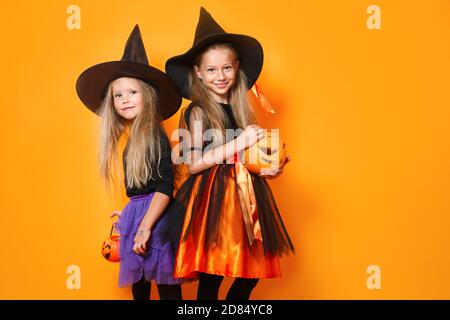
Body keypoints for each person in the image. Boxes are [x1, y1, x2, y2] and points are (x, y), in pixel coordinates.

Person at [165, 7, 294, 300]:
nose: (220, 76)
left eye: (226, 68)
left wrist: (268, 169)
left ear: (237, 67)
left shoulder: (241, 109)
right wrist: (238, 143)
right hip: (212, 200)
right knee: (213, 271)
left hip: (245, 193)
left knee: (251, 268)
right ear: (198, 73)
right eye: (211, 70)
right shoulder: (197, 111)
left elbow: (252, 156)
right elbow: (195, 163)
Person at [76, 25, 182, 300]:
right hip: (139, 215)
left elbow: (165, 185)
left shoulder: (154, 133)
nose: (125, 100)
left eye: (132, 92)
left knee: (165, 285)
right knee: (141, 284)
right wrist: (130, 214)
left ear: (147, 95)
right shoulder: (133, 139)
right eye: (118, 95)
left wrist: (145, 224)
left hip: (154, 219)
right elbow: (142, 186)